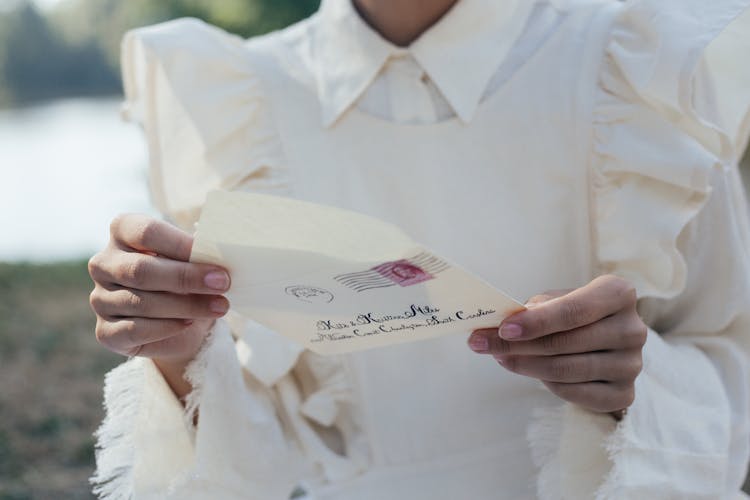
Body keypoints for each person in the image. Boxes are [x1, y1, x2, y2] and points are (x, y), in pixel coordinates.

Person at [86, 0, 750, 498]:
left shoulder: (641, 70)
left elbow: (728, 350)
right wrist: (180, 349)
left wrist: (635, 383)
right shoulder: (235, 98)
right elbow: (263, 454)